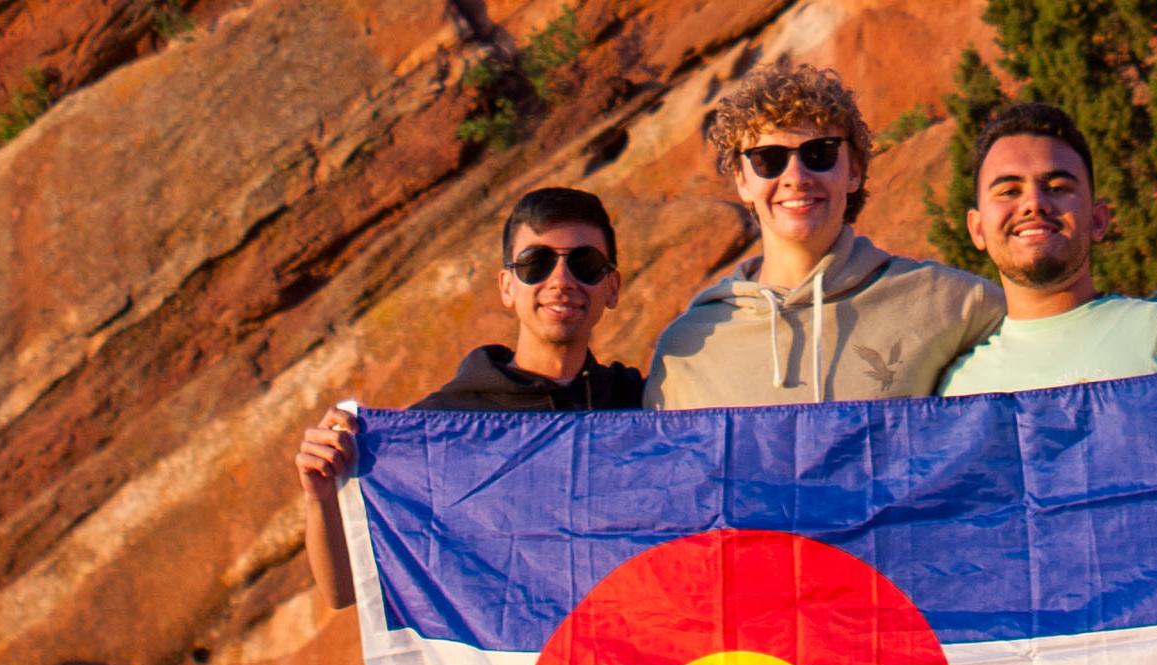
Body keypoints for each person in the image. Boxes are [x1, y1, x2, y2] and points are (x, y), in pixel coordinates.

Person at [291, 187, 645, 608]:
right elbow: (345, 590)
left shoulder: (648, 412)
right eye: (537, 264)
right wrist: (323, 496)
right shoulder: (440, 429)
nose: (561, 281)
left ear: (613, 286)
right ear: (507, 287)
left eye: (585, 264)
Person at [645, 64, 1002, 408]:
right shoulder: (688, 347)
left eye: (820, 154)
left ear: (855, 170)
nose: (796, 176)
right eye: (768, 159)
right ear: (742, 179)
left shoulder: (948, 302)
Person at [939, 102, 1157, 396]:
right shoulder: (956, 391)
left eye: (1057, 187)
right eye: (1009, 191)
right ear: (977, 229)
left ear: (1098, 220)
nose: (1034, 204)